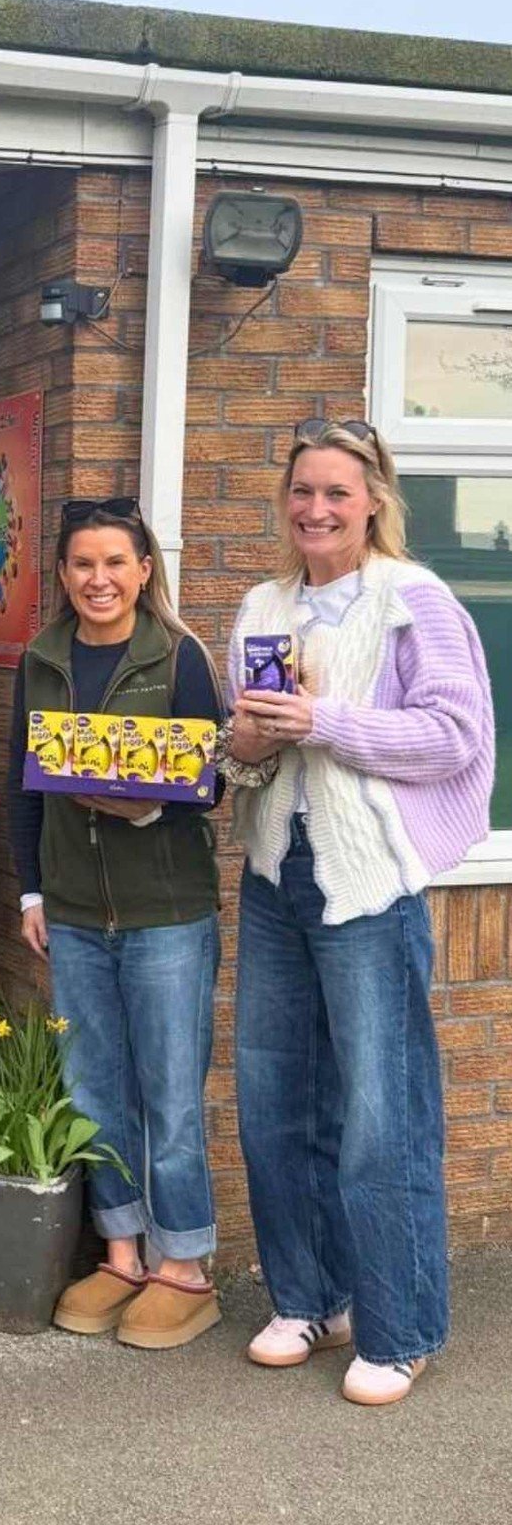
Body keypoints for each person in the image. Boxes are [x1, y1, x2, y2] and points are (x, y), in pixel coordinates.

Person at [223, 419, 493, 1407]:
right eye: (300, 490)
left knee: (382, 1115)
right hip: (272, 878)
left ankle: (400, 1322)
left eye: (335, 490)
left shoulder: (410, 598)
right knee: (273, 1102)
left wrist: (324, 720)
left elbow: (454, 734)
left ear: (372, 495)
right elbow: (250, 757)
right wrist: (243, 743)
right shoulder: (260, 603)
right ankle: (306, 1295)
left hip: (368, 887)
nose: (315, 508)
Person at [9, 498, 226, 1350]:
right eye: (81, 564)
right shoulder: (40, 657)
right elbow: (21, 785)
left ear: (143, 569)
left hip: (163, 909)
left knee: (170, 1090)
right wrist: (30, 893)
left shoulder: (178, 655)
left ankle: (186, 1267)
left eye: (114, 562)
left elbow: (208, 780)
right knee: (92, 1086)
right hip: (71, 910)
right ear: (61, 575)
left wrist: (141, 810)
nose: (98, 578)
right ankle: (123, 1250)